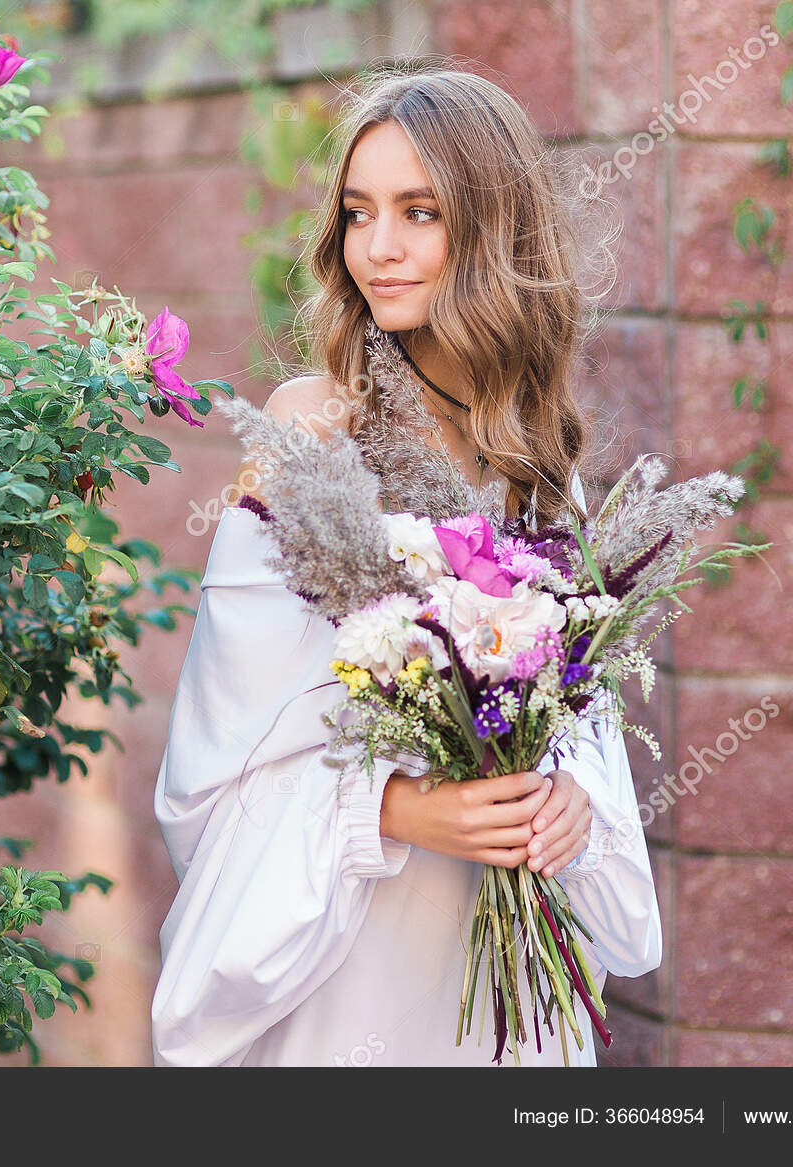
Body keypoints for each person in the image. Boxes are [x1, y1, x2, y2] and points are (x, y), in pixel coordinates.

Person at [149, 67, 662, 1067]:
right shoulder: (308, 437)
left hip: (509, 991)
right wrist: (397, 809)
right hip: (346, 972)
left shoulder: (542, 475)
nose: (376, 248)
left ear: (492, 231)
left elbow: (585, 737)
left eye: (418, 212)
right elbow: (214, 768)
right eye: (357, 212)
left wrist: (563, 801)